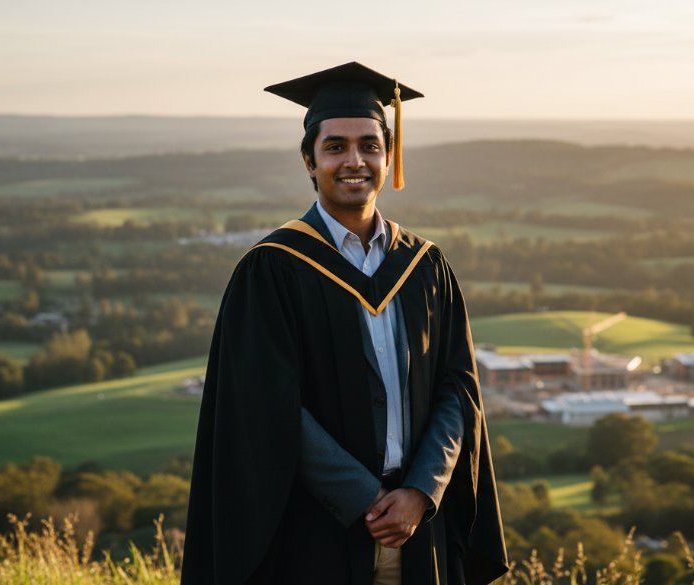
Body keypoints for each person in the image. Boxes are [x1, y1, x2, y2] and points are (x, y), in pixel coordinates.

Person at [181, 62, 508, 585]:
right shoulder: (274, 268)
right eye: (335, 147)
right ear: (308, 160)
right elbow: (266, 406)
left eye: (369, 145)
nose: (354, 160)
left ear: (389, 156)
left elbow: (457, 388)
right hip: (314, 534)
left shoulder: (425, 267)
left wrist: (422, 491)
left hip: (420, 531)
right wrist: (365, 499)